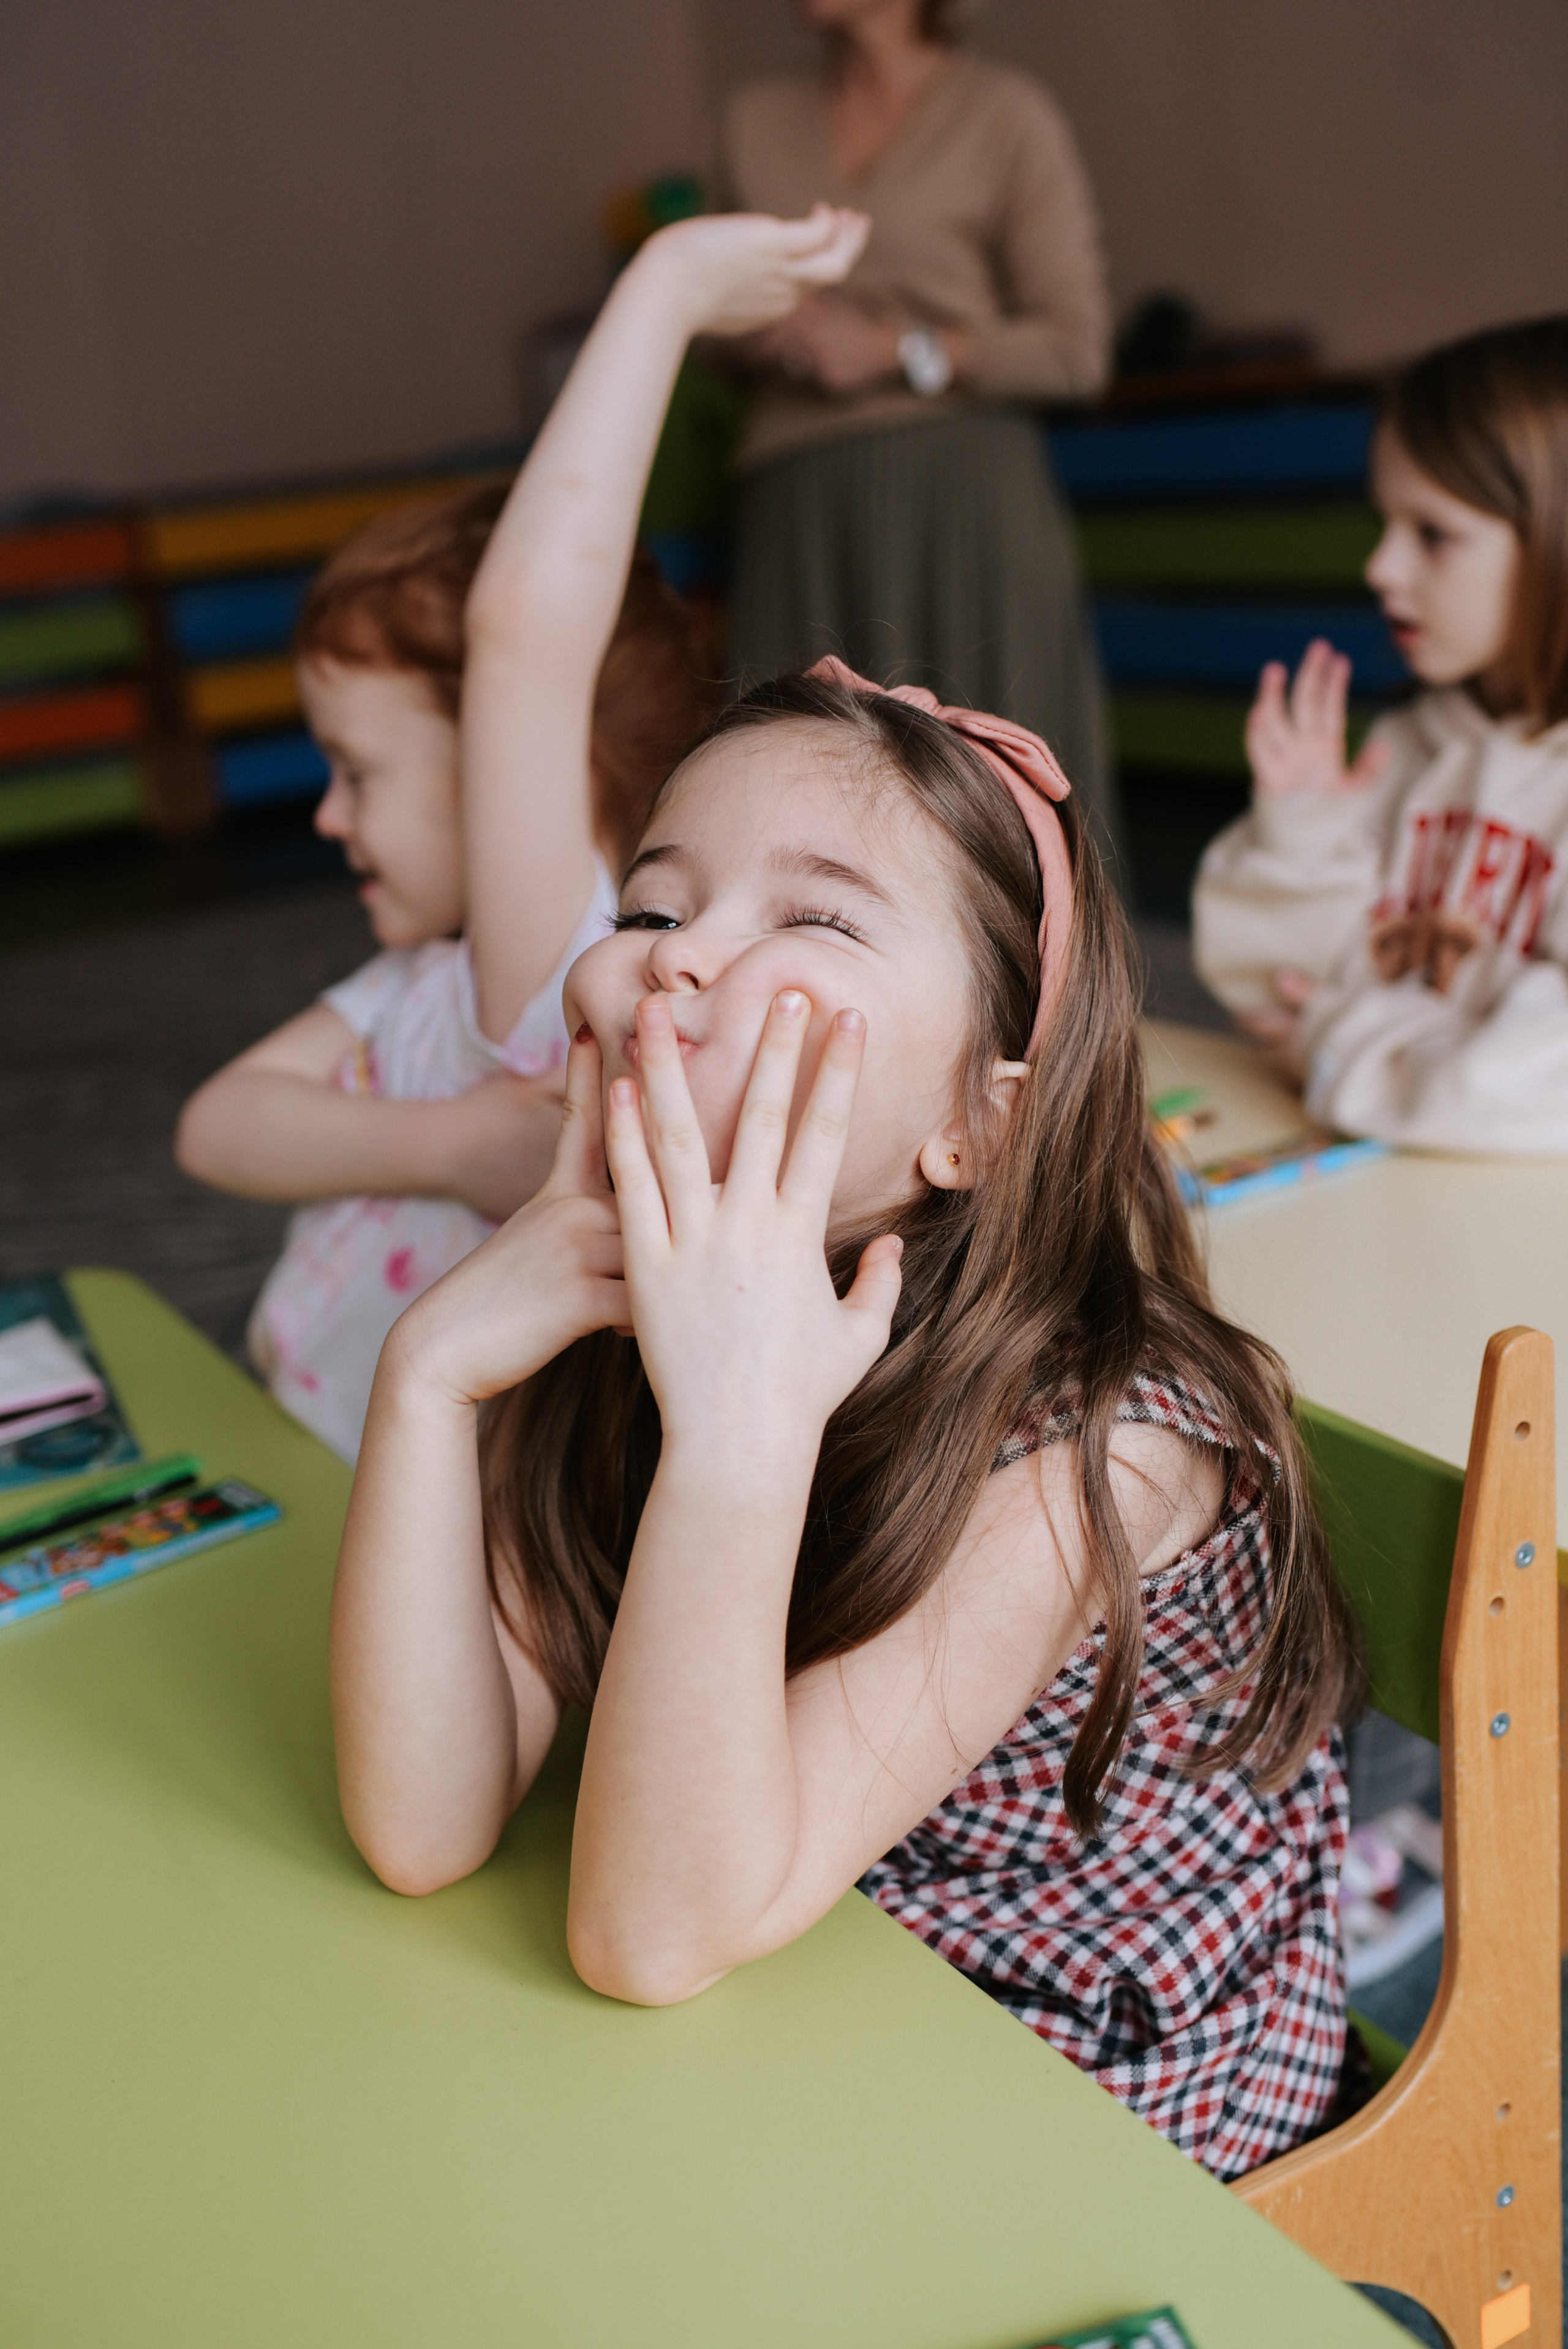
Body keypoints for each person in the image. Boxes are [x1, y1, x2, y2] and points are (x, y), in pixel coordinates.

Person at [330, 208, 1362, 2184]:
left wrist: (739, 1435)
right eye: (654, 907)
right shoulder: (617, 1312)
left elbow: (650, 1935)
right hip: (812, 1988)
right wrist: (434, 1372)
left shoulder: (1105, 1451)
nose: (684, 958)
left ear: (978, 1120)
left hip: (1103, 2111)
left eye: (812, 920)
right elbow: (425, 1820)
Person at [175, 484, 710, 1462]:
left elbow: (522, 654)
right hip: (302, 1439)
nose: (327, 816)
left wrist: (650, 344)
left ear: (498, 772)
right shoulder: (416, 977)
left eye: (358, 773)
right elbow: (216, 1127)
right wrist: (456, 1146)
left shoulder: (558, 967)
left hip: (402, 1493)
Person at [714, 0, 1120, 861]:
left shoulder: (1007, 116)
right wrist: (755, 332)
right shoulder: (750, 122)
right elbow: (712, 325)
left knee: (997, 806)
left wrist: (897, 349)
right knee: (788, 781)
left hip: (961, 500)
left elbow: (1074, 351)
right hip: (798, 504)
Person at [1194, 316, 1568, 1153]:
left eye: (1433, 534)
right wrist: (1301, 829)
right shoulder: (1409, 744)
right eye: (1384, 524)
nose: (1381, 568)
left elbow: (1546, 1087)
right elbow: (1266, 997)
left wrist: (1338, 1047)